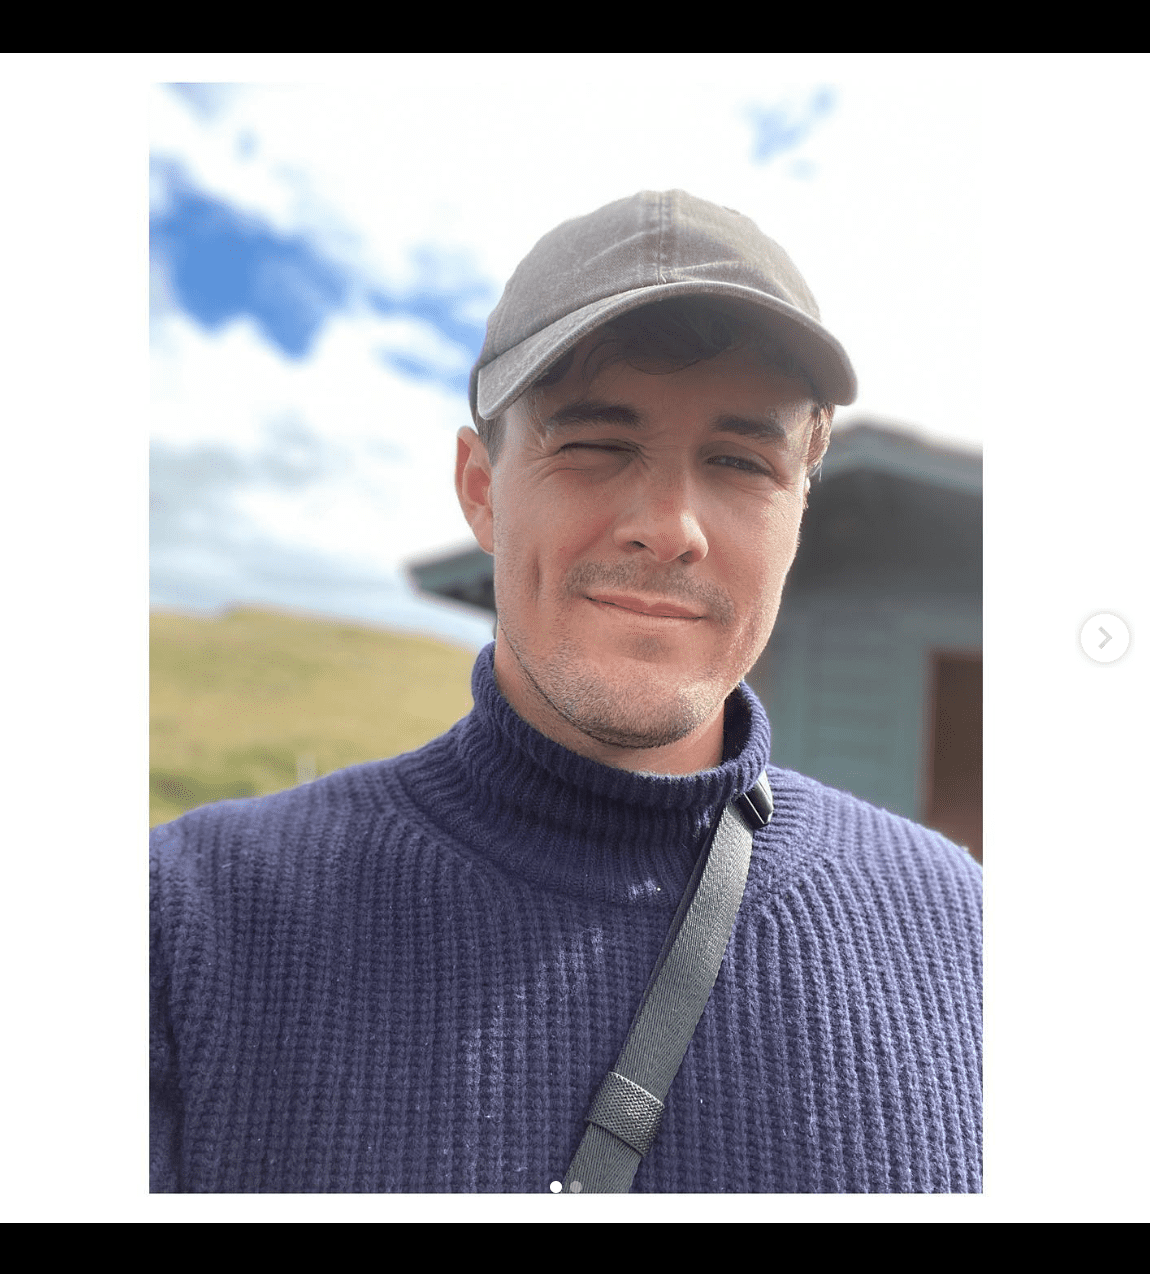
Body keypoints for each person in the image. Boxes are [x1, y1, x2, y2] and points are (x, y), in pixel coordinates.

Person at [150, 190, 982, 1193]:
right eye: (594, 444)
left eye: (739, 460)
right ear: (480, 488)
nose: (669, 525)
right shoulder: (187, 927)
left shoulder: (968, 933)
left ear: (797, 508)